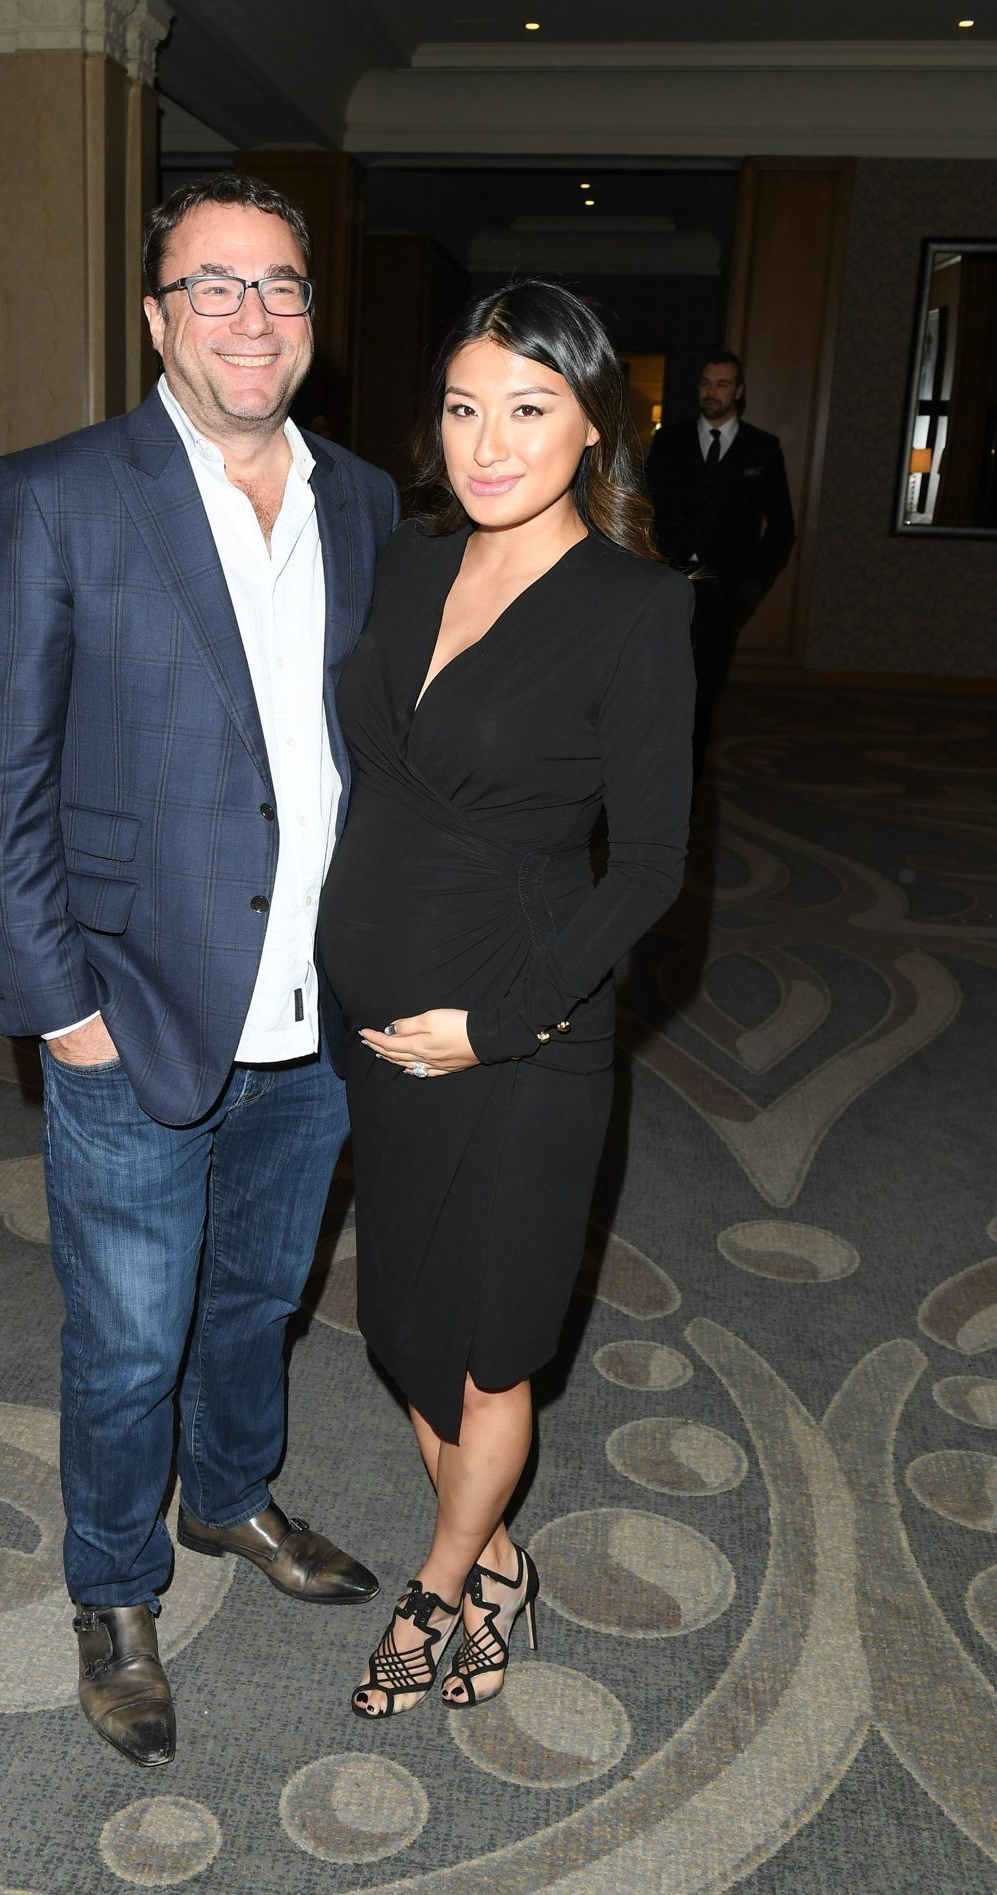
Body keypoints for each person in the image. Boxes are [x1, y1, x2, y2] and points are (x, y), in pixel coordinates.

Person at [0, 172, 399, 1768]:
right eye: (214, 285)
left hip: (322, 1009)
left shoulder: (365, 499)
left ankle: (230, 1494)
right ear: (156, 318)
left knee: (262, 1297)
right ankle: (114, 1585)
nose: (250, 316)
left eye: (279, 286)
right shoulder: (56, 494)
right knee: (130, 1334)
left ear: (311, 316)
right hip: (131, 1005)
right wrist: (60, 1010)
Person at [317, 279, 695, 1719]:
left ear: (593, 423)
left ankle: (442, 1581)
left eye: (528, 408)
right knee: (401, 1324)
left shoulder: (636, 608)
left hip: (520, 1033)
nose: (487, 442)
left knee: (489, 1342)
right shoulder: (408, 562)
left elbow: (648, 865)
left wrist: (499, 1022)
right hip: (378, 1027)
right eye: (464, 406)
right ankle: (501, 1559)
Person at [645, 351, 794, 773]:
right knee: (654, 682)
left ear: (739, 392)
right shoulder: (669, 440)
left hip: (722, 590)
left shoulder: (762, 448)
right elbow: (643, 509)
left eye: (723, 384)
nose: (712, 392)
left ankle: (687, 779)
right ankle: (648, 770)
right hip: (666, 581)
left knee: (703, 689)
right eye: (706, 383)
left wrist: (749, 586)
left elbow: (782, 528)